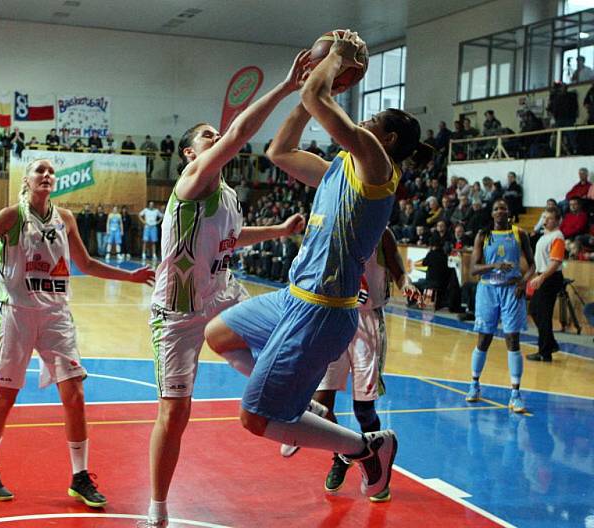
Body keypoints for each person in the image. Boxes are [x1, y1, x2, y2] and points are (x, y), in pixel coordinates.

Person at [204, 31, 431, 512]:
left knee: (256, 419)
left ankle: (366, 448)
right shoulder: (338, 167)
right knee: (219, 333)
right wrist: (308, 84)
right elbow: (280, 151)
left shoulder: (375, 168)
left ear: (385, 139)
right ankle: (303, 407)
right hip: (292, 298)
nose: (360, 121)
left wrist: (337, 61)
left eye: (369, 119)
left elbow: (316, 96)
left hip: (324, 312)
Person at [139, 50, 311, 528]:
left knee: (281, 340)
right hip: (176, 314)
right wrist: (285, 87)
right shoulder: (192, 181)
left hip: (223, 297)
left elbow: (233, 238)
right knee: (175, 415)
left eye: (214, 136)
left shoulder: (229, 195)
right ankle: (157, 508)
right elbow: (238, 135)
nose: (217, 140)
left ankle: (293, 410)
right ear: (191, 155)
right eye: (207, 138)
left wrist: (276, 230)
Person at [0, 158, 154, 505]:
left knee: (75, 395)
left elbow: (87, 264)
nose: (47, 175)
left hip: (56, 316)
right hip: (16, 315)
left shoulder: (66, 219)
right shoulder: (11, 216)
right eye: (40, 171)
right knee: (5, 397)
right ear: (27, 180)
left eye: (51, 172)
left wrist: (130, 276)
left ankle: (80, 476)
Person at [279, 228, 418, 503]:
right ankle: (343, 455)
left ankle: (374, 469)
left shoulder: (382, 232)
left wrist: (407, 284)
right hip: (334, 318)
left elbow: (396, 267)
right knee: (322, 405)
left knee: (364, 408)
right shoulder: (333, 228)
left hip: (367, 324)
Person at [465, 199, 535, 413]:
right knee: (484, 339)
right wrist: (494, 265)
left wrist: (524, 282)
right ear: (492, 213)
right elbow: (473, 270)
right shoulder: (482, 235)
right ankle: (475, 384)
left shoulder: (519, 234)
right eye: (496, 208)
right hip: (488, 289)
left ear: (508, 212)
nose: (500, 211)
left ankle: (515, 394)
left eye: (503, 207)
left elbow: (532, 265)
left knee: (512, 339)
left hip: (512, 290)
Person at [527, 206, 565, 362]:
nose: (545, 220)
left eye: (549, 218)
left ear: (557, 221)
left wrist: (542, 278)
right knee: (535, 310)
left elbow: (555, 262)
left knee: (543, 314)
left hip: (550, 277)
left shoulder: (558, 237)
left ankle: (545, 351)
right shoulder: (545, 236)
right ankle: (550, 344)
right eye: (544, 217)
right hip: (543, 276)